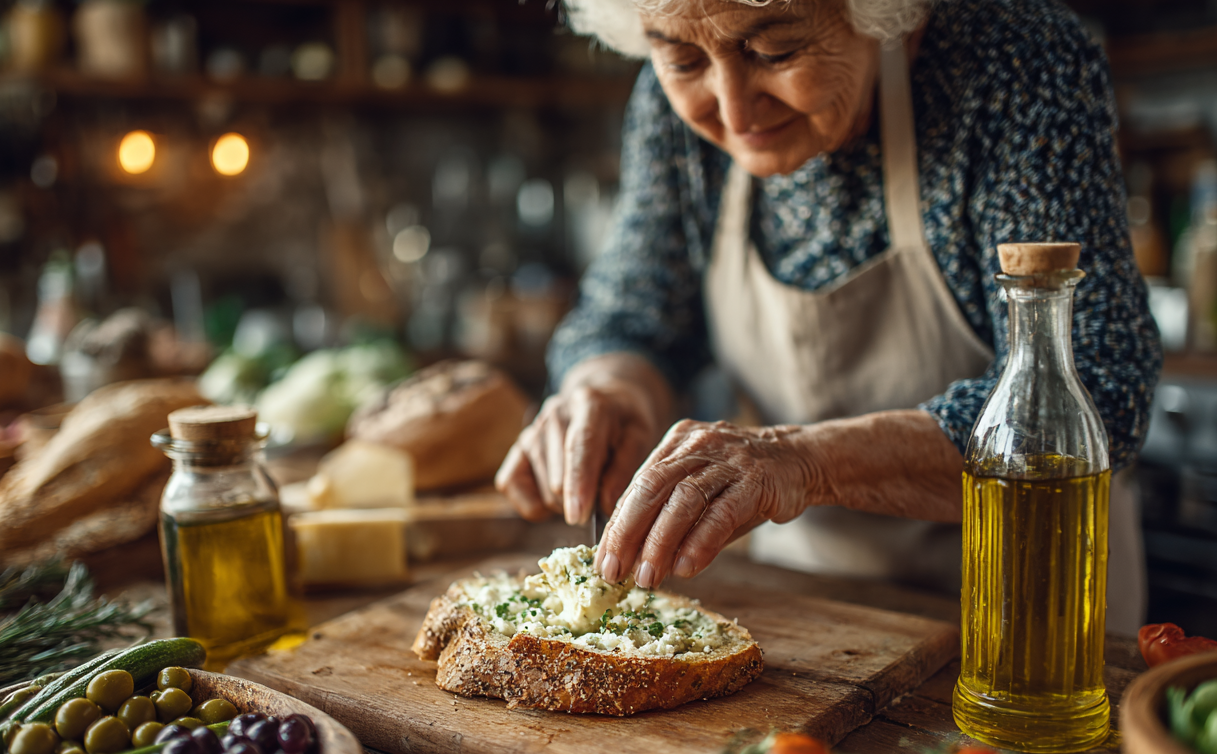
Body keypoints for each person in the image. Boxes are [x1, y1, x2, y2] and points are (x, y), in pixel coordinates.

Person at [495, 0, 1162, 633]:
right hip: (818, 614)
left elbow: (1096, 387)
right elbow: (632, 317)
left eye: (774, 49)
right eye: (683, 63)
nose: (732, 108)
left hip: (1032, 621)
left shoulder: (1016, 62)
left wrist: (802, 463)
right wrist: (607, 387)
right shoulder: (674, 110)